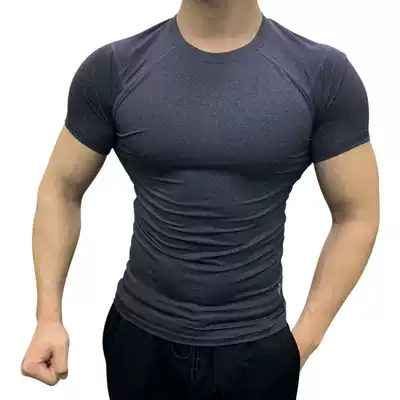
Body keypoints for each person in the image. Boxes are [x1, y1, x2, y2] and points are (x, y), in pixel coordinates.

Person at [20, 0, 380, 399]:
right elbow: (61, 188)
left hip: (257, 347)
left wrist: (303, 341)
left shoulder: (324, 75)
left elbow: (357, 214)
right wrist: (48, 317)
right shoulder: (112, 69)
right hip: (138, 342)